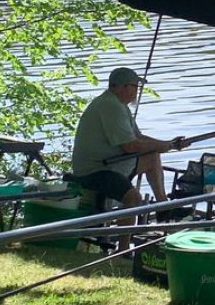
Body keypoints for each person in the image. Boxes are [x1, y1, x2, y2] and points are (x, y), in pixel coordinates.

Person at [70, 67, 188, 251]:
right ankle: (123, 250)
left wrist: (169, 144)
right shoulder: (110, 105)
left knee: (152, 155)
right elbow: (130, 146)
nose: (137, 91)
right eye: (135, 86)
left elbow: (138, 138)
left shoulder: (118, 105)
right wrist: (163, 146)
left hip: (110, 163)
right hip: (95, 170)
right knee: (133, 199)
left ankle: (162, 206)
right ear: (122, 87)